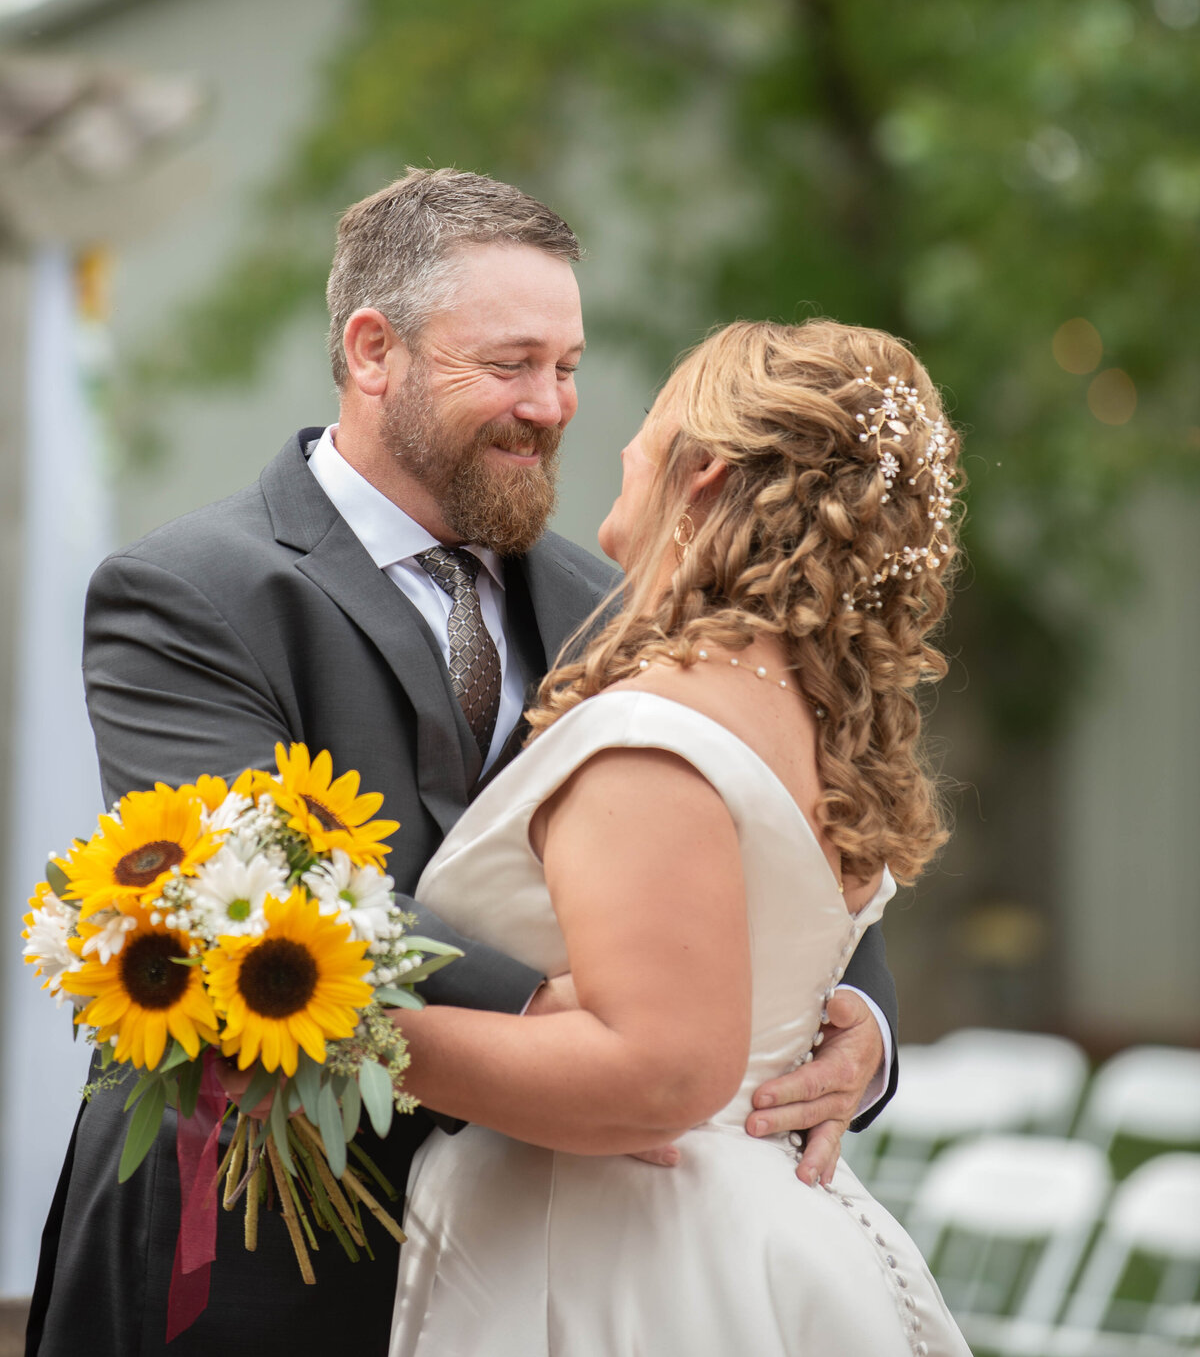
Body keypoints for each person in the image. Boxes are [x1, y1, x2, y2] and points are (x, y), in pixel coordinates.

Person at [26, 172, 897, 1357]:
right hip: (260, 1237)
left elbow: (776, 819)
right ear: (374, 352)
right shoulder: (188, 591)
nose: (553, 405)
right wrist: (559, 1021)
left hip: (555, 1255)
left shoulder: (617, 607)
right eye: (512, 363)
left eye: (570, 366)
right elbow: (247, 893)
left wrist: (859, 1024)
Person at [386, 316, 970, 1356]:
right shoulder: (823, 714)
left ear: (702, 476)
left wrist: (343, 1036)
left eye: (650, 422)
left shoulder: (657, 733)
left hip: (616, 1263)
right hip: (747, 1224)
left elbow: (655, 1074)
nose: (618, 445)